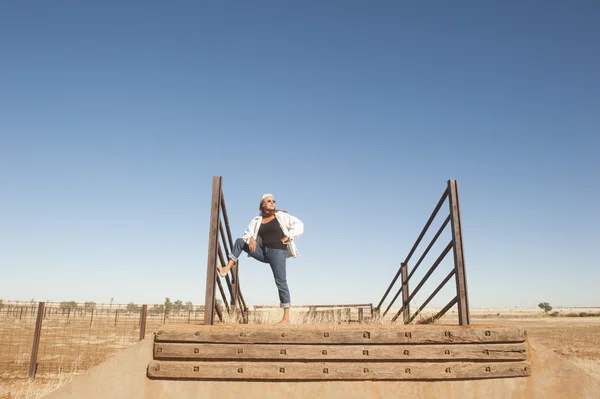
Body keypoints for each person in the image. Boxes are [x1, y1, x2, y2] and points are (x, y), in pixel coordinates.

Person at [217, 193, 304, 324]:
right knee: (240, 241)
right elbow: (248, 233)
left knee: (280, 281)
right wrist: (251, 238)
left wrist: (289, 236)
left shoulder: (280, 216)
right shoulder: (257, 220)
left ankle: (286, 318)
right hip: (264, 252)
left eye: (273, 201)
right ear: (263, 205)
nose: (272, 202)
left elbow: (299, 225)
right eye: (269, 201)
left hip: (278, 252)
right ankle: (226, 269)